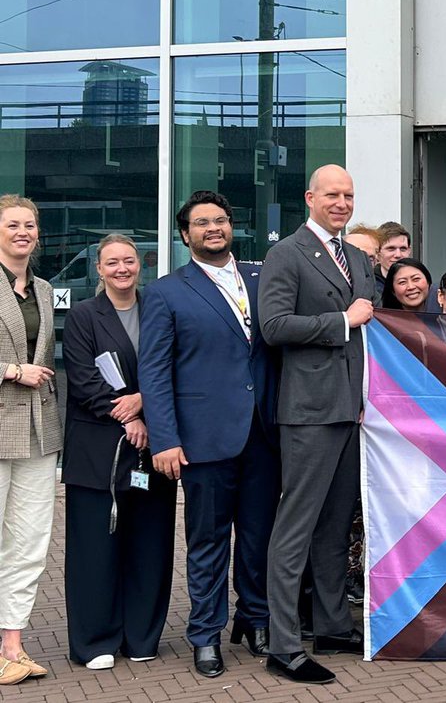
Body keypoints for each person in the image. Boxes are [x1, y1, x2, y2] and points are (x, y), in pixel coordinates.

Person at [139, 191, 281, 679]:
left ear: (231, 226)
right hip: (202, 439)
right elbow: (154, 373)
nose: (213, 229)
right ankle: (204, 634)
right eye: (202, 223)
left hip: (265, 433)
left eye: (220, 220)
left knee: (259, 538)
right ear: (185, 235)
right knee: (208, 542)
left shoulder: (264, 279)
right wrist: (165, 439)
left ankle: (256, 618)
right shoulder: (165, 292)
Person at [257, 165, 378, 685]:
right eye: (332, 194)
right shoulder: (286, 253)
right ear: (310, 197)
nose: (342, 202)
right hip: (308, 412)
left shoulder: (356, 257)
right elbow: (274, 326)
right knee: (295, 528)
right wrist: (341, 322)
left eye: (349, 195)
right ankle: (284, 646)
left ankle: (330, 626)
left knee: (334, 528)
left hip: (353, 412)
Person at [62, 234, 176, 671]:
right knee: (96, 547)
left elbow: (175, 364)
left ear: (139, 265)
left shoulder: (158, 308)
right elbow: (83, 377)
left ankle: (142, 634)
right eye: (112, 262)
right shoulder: (83, 316)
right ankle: (95, 641)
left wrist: (146, 402)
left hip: (154, 446)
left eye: (129, 260)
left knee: (149, 543)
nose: (122, 269)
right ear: (99, 269)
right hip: (99, 449)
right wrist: (128, 417)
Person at [0, 196, 59, 685]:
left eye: (30, 225)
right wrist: (12, 370)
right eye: (13, 224)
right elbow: (22, 365)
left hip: (40, 434)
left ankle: (13, 646)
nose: (23, 232)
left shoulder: (43, 287)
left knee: (29, 542)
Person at [374, 222, 412, 297]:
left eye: (403, 249)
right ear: (377, 252)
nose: (398, 255)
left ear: (409, 251)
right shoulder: (369, 286)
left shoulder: (419, 284)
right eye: (391, 249)